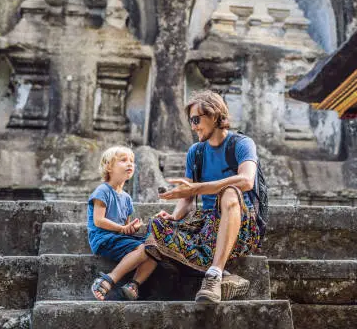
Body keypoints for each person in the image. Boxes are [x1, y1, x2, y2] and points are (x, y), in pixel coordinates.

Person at [145, 90, 261, 303]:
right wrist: (174, 216)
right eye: (191, 121)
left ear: (215, 116)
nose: (193, 126)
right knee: (156, 225)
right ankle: (227, 277)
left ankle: (214, 275)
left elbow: (246, 181)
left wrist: (196, 188)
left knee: (229, 192)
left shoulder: (242, 144)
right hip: (206, 223)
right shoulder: (195, 152)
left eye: (197, 120)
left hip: (241, 224)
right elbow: (187, 200)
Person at [88, 146, 157, 301]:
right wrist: (122, 228)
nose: (130, 164)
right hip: (103, 238)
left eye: (132, 161)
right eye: (123, 160)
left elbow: (125, 230)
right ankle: (107, 280)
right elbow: (98, 221)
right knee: (144, 248)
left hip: (118, 238)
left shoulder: (126, 198)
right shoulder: (103, 191)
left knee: (155, 249)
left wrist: (131, 228)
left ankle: (133, 285)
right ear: (109, 167)